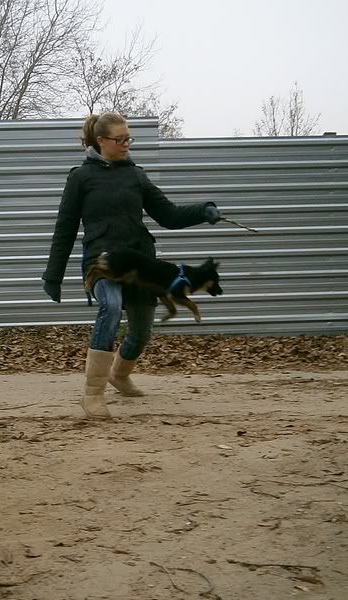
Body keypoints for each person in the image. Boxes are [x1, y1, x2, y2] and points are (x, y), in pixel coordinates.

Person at [42, 112, 221, 419]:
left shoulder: (136, 175)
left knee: (140, 333)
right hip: (103, 260)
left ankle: (119, 374)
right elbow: (65, 229)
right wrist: (53, 275)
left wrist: (203, 211)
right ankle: (92, 394)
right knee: (111, 306)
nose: (127, 144)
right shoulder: (80, 178)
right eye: (120, 139)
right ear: (101, 141)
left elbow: (169, 215)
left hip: (140, 263)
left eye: (129, 138)